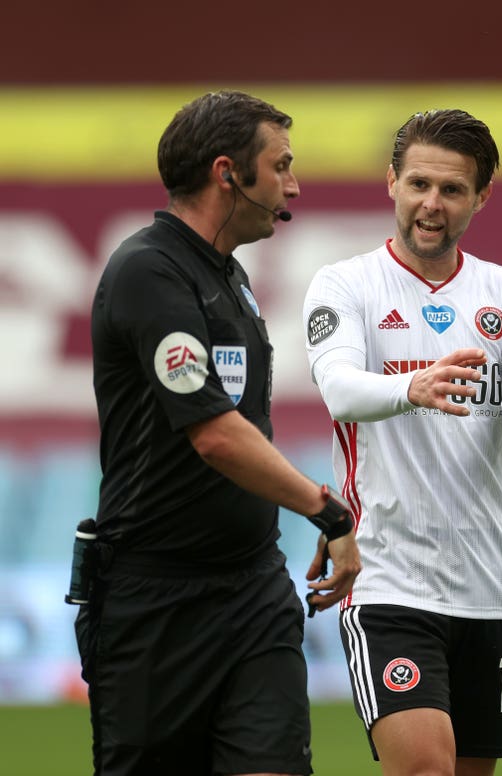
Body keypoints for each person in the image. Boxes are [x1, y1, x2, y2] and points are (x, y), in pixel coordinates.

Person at [75, 90, 361, 776]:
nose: (294, 183)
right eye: (282, 165)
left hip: (252, 592)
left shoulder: (229, 277)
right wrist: (328, 511)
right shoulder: (150, 270)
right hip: (154, 603)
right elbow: (216, 436)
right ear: (228, 172)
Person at [303, 109, 502, 776]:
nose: (432, 204)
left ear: (480, 197)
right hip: (390, 582)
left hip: (490, 587)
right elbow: (339, 391)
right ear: (391, 181)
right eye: (419, 183)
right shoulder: (345, 285)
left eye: (452, 190)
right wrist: (412, 387)